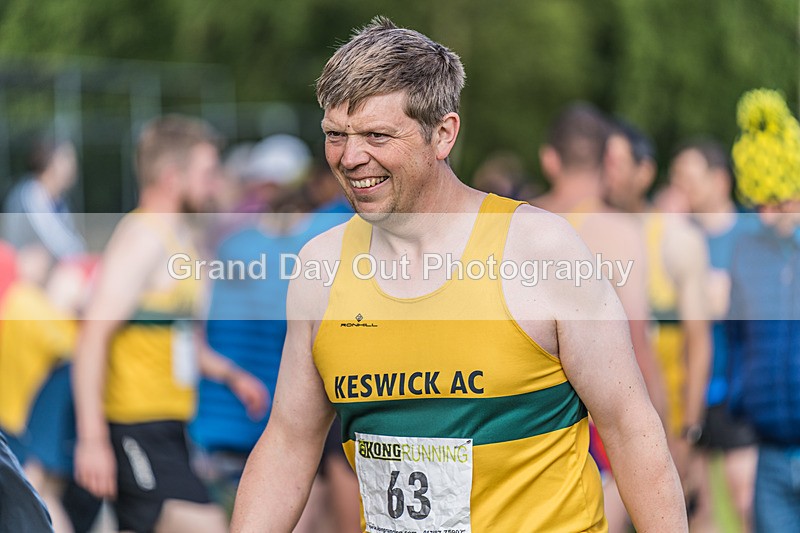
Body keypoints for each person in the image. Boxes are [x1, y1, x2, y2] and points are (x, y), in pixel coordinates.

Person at [232, 17, 685, 532]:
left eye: (377, 135)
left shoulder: (540, 249)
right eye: (336, 135)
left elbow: (631, 430)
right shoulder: (321, 267)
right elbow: (289, 441)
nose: (351, 157)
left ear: (443, 134)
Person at [73, 115, 268, 533]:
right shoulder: (142, 237)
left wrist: (233, 376)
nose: (215, 184)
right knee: (208, 525)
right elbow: (91, 338)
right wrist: (92, 440)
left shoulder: (182, 241)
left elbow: (184, 341)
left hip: (170, 427)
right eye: (207, 172)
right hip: (132, 425)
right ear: (171, 176)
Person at [604, 121, 713, 528]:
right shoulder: (580, 236)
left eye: (615, 162)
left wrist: (689, 433)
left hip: (670, 434)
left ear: (644, 171)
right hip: (605, 442)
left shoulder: (678, 241)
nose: (606, 172)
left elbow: (699, 346)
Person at [670, 138, 759, 532]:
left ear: (720, 180)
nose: (681, 186)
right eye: (677, 179)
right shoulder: (677, 238)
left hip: (740, 387)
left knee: (745, 497)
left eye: (690, 178)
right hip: (690, 389)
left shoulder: (752, 231)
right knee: (695, 504)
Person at [726, 88, 800, 532]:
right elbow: (733, 335)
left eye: (781, 201)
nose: (769, 215)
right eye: (760, 203)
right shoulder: (745, 251)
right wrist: (735, 398)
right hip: (768, 448)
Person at [2, 138, 85, 259]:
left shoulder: (59, 201)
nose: (73, 166)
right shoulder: (29, 198)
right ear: (49, 164)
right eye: (66, 159)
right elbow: (60, 246)